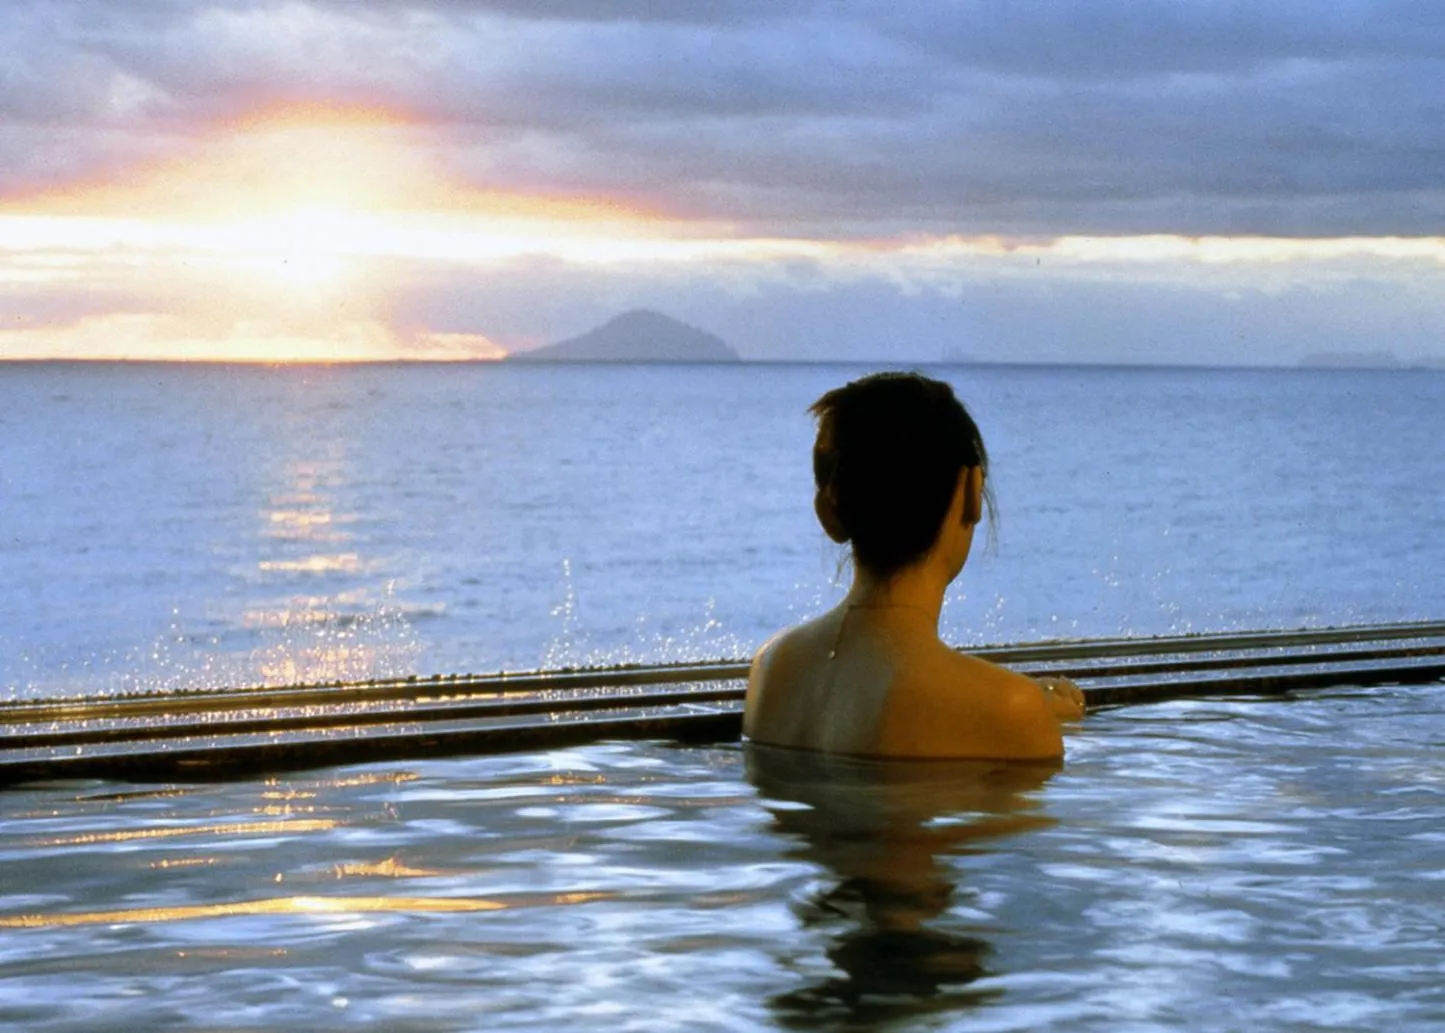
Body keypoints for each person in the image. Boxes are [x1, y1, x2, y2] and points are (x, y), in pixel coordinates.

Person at [744, 372, 1084, 760]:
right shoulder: (1010, 708)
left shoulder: (771, 668)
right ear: (972, 490)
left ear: (828, 512)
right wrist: (1031, 710)